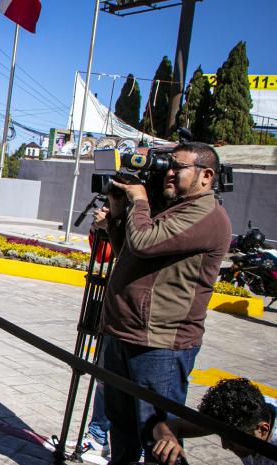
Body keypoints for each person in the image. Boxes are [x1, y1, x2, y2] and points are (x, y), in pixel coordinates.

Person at [93, 142, 232, 464]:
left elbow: (143, 243)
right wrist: (117, 211)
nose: (168, 172)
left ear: (206, 176)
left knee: (158, 438)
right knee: (121, 427)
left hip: (160, 345)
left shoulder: (207, 215)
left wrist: (139, 199)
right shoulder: (173, 208)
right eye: (168, 165)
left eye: (178, 167)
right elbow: (127, 251)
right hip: (124, 334)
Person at [150, 378, 276, 465]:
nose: (224, 446)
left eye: (232, 442)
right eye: (221, 436)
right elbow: (166, 426)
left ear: (263, 430)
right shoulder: (247, 412)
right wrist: (168, 439)